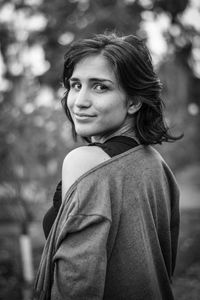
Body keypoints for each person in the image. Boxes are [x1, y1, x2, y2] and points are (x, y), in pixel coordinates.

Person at [33, 33, 181, 300]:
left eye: (100, 87)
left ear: (134, 101)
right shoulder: (156, 165)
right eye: (75, 85)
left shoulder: (84, 163)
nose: (80, 101)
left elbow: (77, 282)